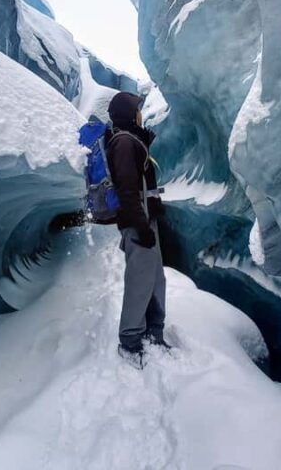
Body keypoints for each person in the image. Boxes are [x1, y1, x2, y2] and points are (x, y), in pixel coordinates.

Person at [106, 92, 170, 368]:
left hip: (145, 221)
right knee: (139, 281)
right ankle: (130, 341)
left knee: (156, 280)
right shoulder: (122, 143)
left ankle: (153, 330)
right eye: (137, 109)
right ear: (129, 113)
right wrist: (141, 226)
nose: (141, 113)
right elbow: (128, 191)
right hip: (137, 223)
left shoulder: (131, 140)